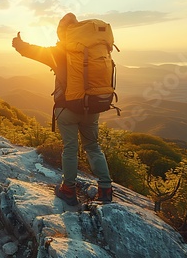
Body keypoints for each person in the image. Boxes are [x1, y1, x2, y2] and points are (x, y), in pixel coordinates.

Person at [11, 13, 113, 206]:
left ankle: (68, 189)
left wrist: (18, 43)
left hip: (67, 109)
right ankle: (106, 189)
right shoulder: (94, 49)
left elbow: (34, 51)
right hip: (92, 106)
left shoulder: (60, 53)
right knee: (93, 147)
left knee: (70, 149)